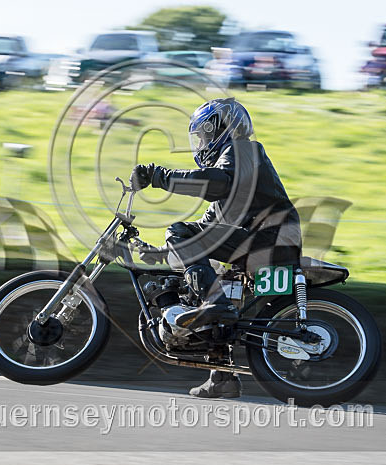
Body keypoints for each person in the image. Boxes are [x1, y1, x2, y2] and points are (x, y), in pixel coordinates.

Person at [129, 97, 302, 398]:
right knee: (207, 293)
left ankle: (215, 305)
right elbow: (204, 231)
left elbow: (217, 184)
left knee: (182, 236)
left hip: (270, 238)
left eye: (206, 134)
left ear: (223, 128)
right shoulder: (229, 173)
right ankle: (221, 377)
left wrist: (159, 177)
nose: (202, 143)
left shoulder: (244, 151)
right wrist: (157, 252)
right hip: (260, 242)